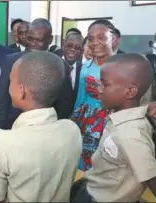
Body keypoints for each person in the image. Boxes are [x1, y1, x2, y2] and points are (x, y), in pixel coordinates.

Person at [0, 51, 82, 202]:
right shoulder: (72, 130)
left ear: (21, 91)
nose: (9, 86)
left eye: (11, 81)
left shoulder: (0, 142)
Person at [70, 53, 156, 202]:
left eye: (105, 84)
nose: (99, 88)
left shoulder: (131, 135)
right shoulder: (121, 117)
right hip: (93, 187)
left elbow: (151, 178)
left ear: (130, 92)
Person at [0, 20, 75, 129]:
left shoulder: (61, 65)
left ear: (50, 40)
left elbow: (65, 103)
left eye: (39, 40)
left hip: (47, 129)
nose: (33, 44)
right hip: (14, 127)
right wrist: (2, 128)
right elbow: (2, 99)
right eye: (30, 39)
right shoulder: (12, 61)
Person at [70, 19, 116, 171]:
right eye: (90, 38)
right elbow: (80, 99)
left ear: (113, 39)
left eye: (101, 37)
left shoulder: (122, 66)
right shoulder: (86, 68)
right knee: (86, 160)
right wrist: (73, 124)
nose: (95, 42)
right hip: (88, 122)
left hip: (114, 121)